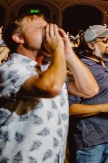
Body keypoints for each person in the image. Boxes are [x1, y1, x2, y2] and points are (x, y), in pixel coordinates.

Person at [0, 13, 98, 162]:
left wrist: (68, 53)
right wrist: (57, 50)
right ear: (19, 38)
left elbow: (89, 90)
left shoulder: (49, 69)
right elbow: (50, 88)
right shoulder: (10, 68)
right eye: (41, 28)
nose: (50, 32)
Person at [69, 25, 108, 163]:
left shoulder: (107, 63)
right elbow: (70, 108)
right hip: (92, 142)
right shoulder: (81, 68)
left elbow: (102, 91)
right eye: (105, 40)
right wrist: (105, 108)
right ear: (91, 45)